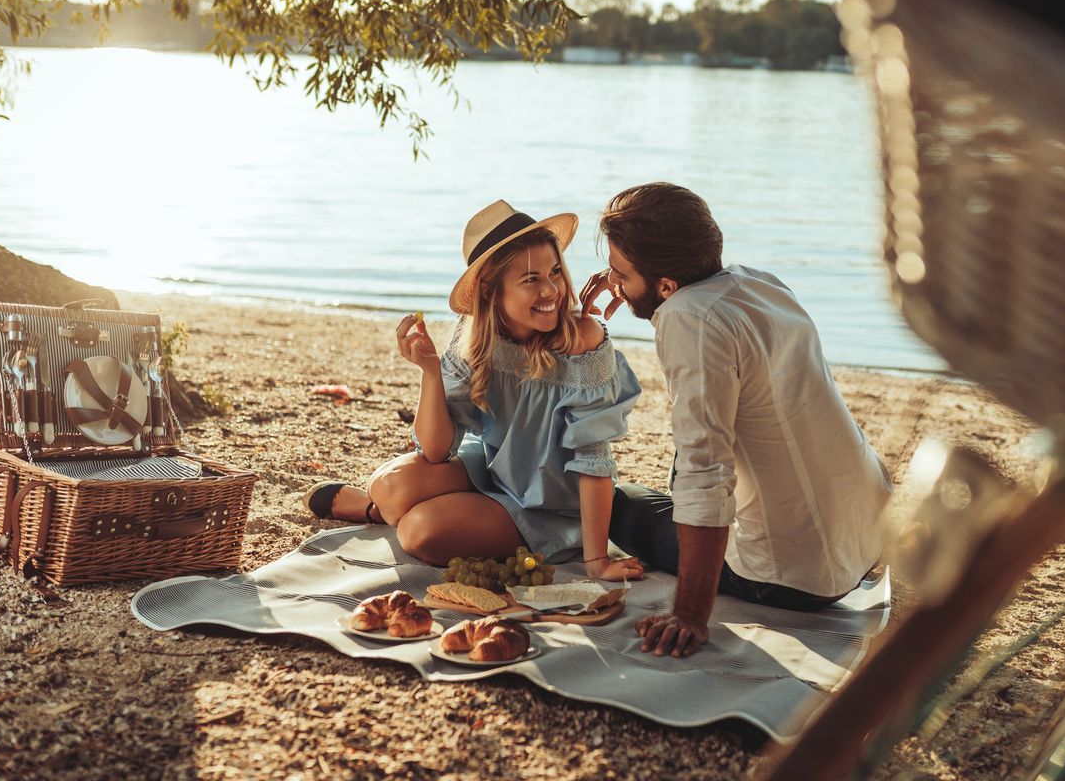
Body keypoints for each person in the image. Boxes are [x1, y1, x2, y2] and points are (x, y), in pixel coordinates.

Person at [580, 182, 891, 658]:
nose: (613, 284)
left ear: (666, 284)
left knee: (613, 506)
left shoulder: (689, 319)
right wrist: (633, 279)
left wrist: (688, 613)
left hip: (792, 577)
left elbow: (707, 472)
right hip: (867, 534)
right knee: (664, 482)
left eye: (621, 274)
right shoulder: (756, 282)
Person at [305, 199, 644, 582]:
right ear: (489, 290)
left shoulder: (584, 340)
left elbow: (594, 458)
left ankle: (386, 513)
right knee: (386, 485)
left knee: (419, 532)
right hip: (493, 468)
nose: (551, 291)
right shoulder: (474, 336)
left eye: (555, 273)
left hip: (552, 505)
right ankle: (377, 508)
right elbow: (435, 450)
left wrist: (597, 561)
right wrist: (430, 372)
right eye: (531, 279)